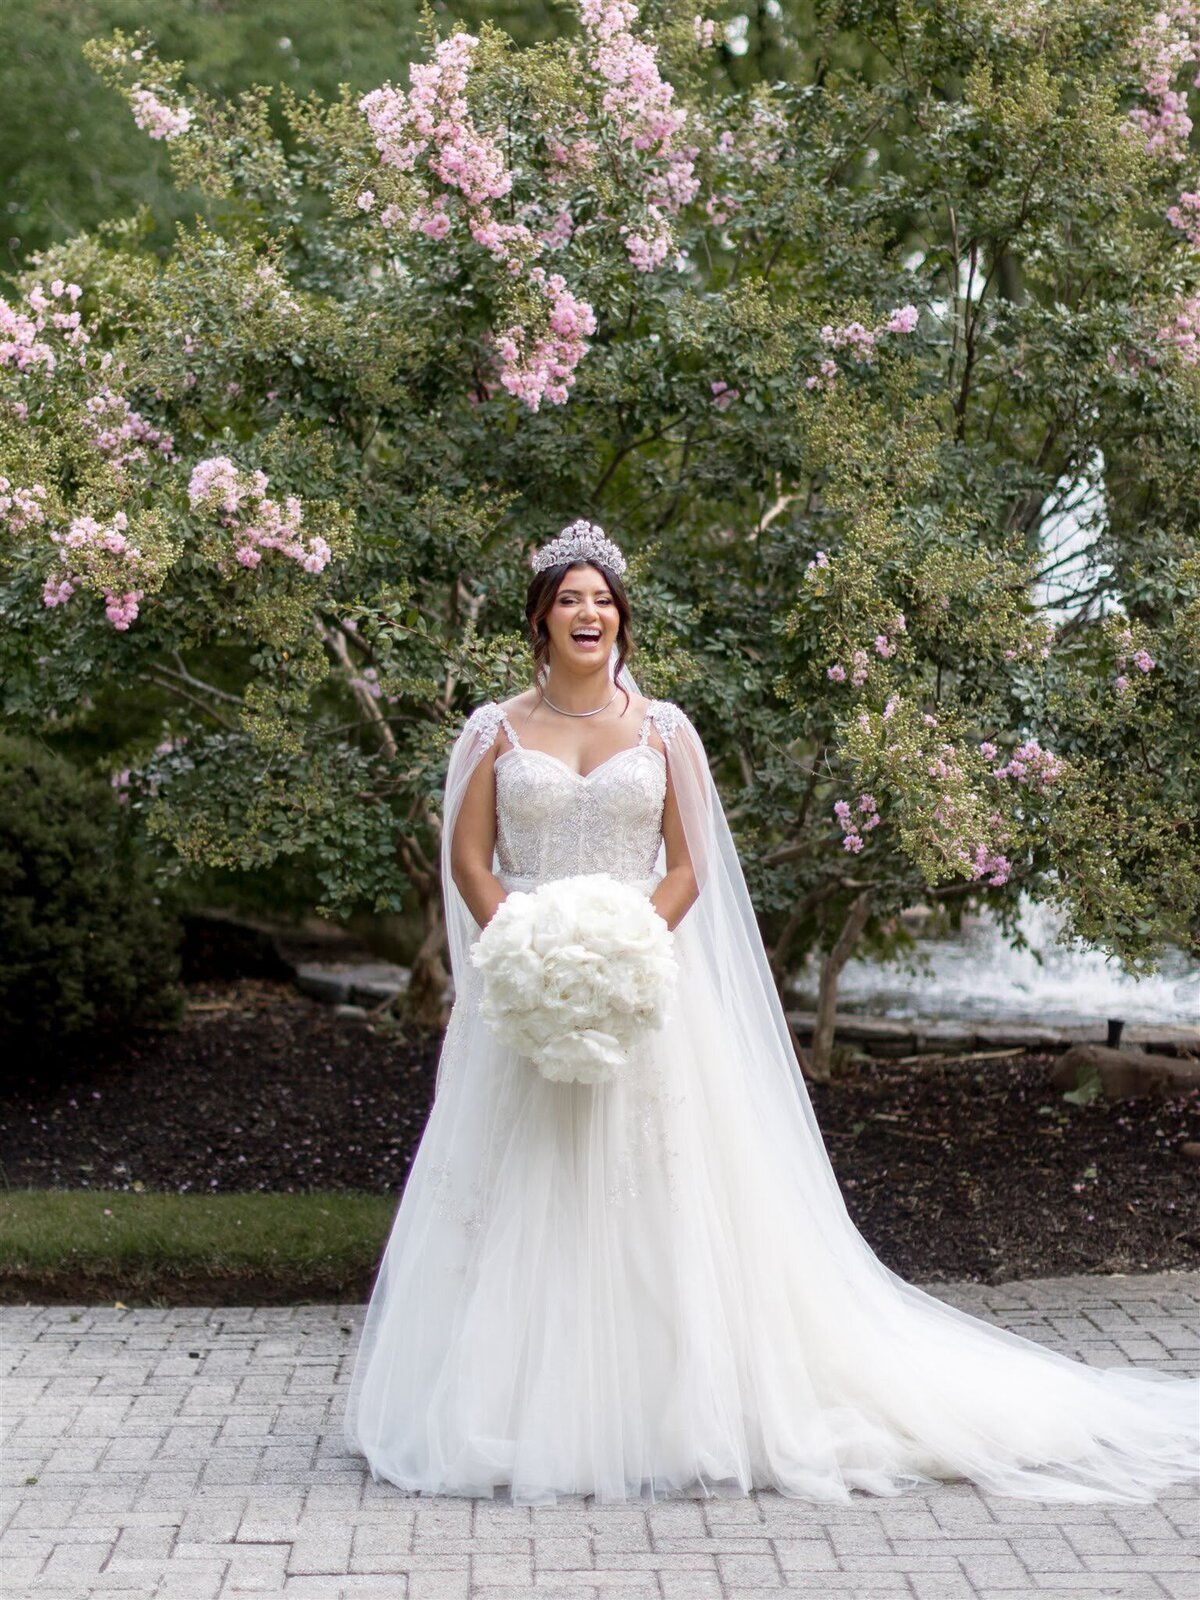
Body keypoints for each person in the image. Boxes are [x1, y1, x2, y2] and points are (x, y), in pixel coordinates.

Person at [343, 519, 1198, 1506]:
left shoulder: (664, 730)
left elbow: (689, 865)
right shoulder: (494, 730)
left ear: (622, 617)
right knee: (520, 1192)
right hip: (527, 997)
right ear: (539, 621)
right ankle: (507, 1402)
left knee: (651, 1193)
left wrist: (626, 948)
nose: (590, 612)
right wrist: (520, 950)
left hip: (643, 988)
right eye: (570, 599)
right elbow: (468, 859)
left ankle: (672, 1406)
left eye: (604, 598)